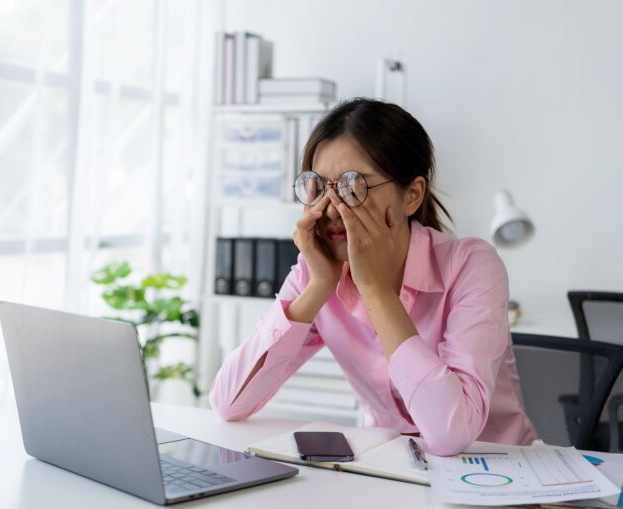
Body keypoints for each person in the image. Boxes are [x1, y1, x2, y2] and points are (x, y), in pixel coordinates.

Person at [209, 98, 537, 456]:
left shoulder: (472, 266)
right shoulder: (317, 272)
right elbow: (228, 403)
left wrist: (375, 289)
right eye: (319, 187)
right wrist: (318, 286)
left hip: (499, 474)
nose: (331, 209)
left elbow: (450, 435)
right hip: (391, 470)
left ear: (411, 196)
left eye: (352, 186)